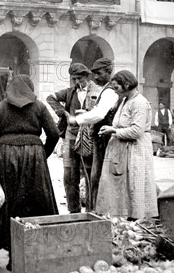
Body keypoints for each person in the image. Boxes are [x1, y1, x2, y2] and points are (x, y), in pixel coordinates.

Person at [0, 75, 60, 269]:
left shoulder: (0, 107)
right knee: (35, 201)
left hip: (6, 156)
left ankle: (12, 257)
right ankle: (35, 254)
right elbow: (53, 133)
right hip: (34, 156)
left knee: (10, 204)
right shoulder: (39, 106)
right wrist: (43, 152)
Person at [95, 71, 158, 220]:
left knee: (134, 183)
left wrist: (113, 131)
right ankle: (122, 217)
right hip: (121, 148)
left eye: (117, 88)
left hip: (135, 149)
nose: (115, 91)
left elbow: (137, 131)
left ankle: (135, 218)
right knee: (121, 186)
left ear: (127, 85)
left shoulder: (139, 102)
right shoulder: (124, 100)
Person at [66, 58, 119, 211]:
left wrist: (77, 119)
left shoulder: (109, 91)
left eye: (99, 73)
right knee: (95, 178)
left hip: (105, 141)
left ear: (109, 72)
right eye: (94, 74)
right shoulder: (106, 89)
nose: (95, 77)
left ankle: (96, 212)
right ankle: (93, 211)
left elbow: (100, 114)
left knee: (98, 178)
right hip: (99, 141)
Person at [47, 63, 98, 213]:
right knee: (69, 174)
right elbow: (51, 98)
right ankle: (73, 209)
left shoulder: (97, 91)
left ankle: (91, 210)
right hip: (71, 135)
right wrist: (63, 113)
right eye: (74, 79)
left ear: (87, 77)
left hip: (89, 136)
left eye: (80, 78)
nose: (77, 82)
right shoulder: (69, 92)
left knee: (90, 174)